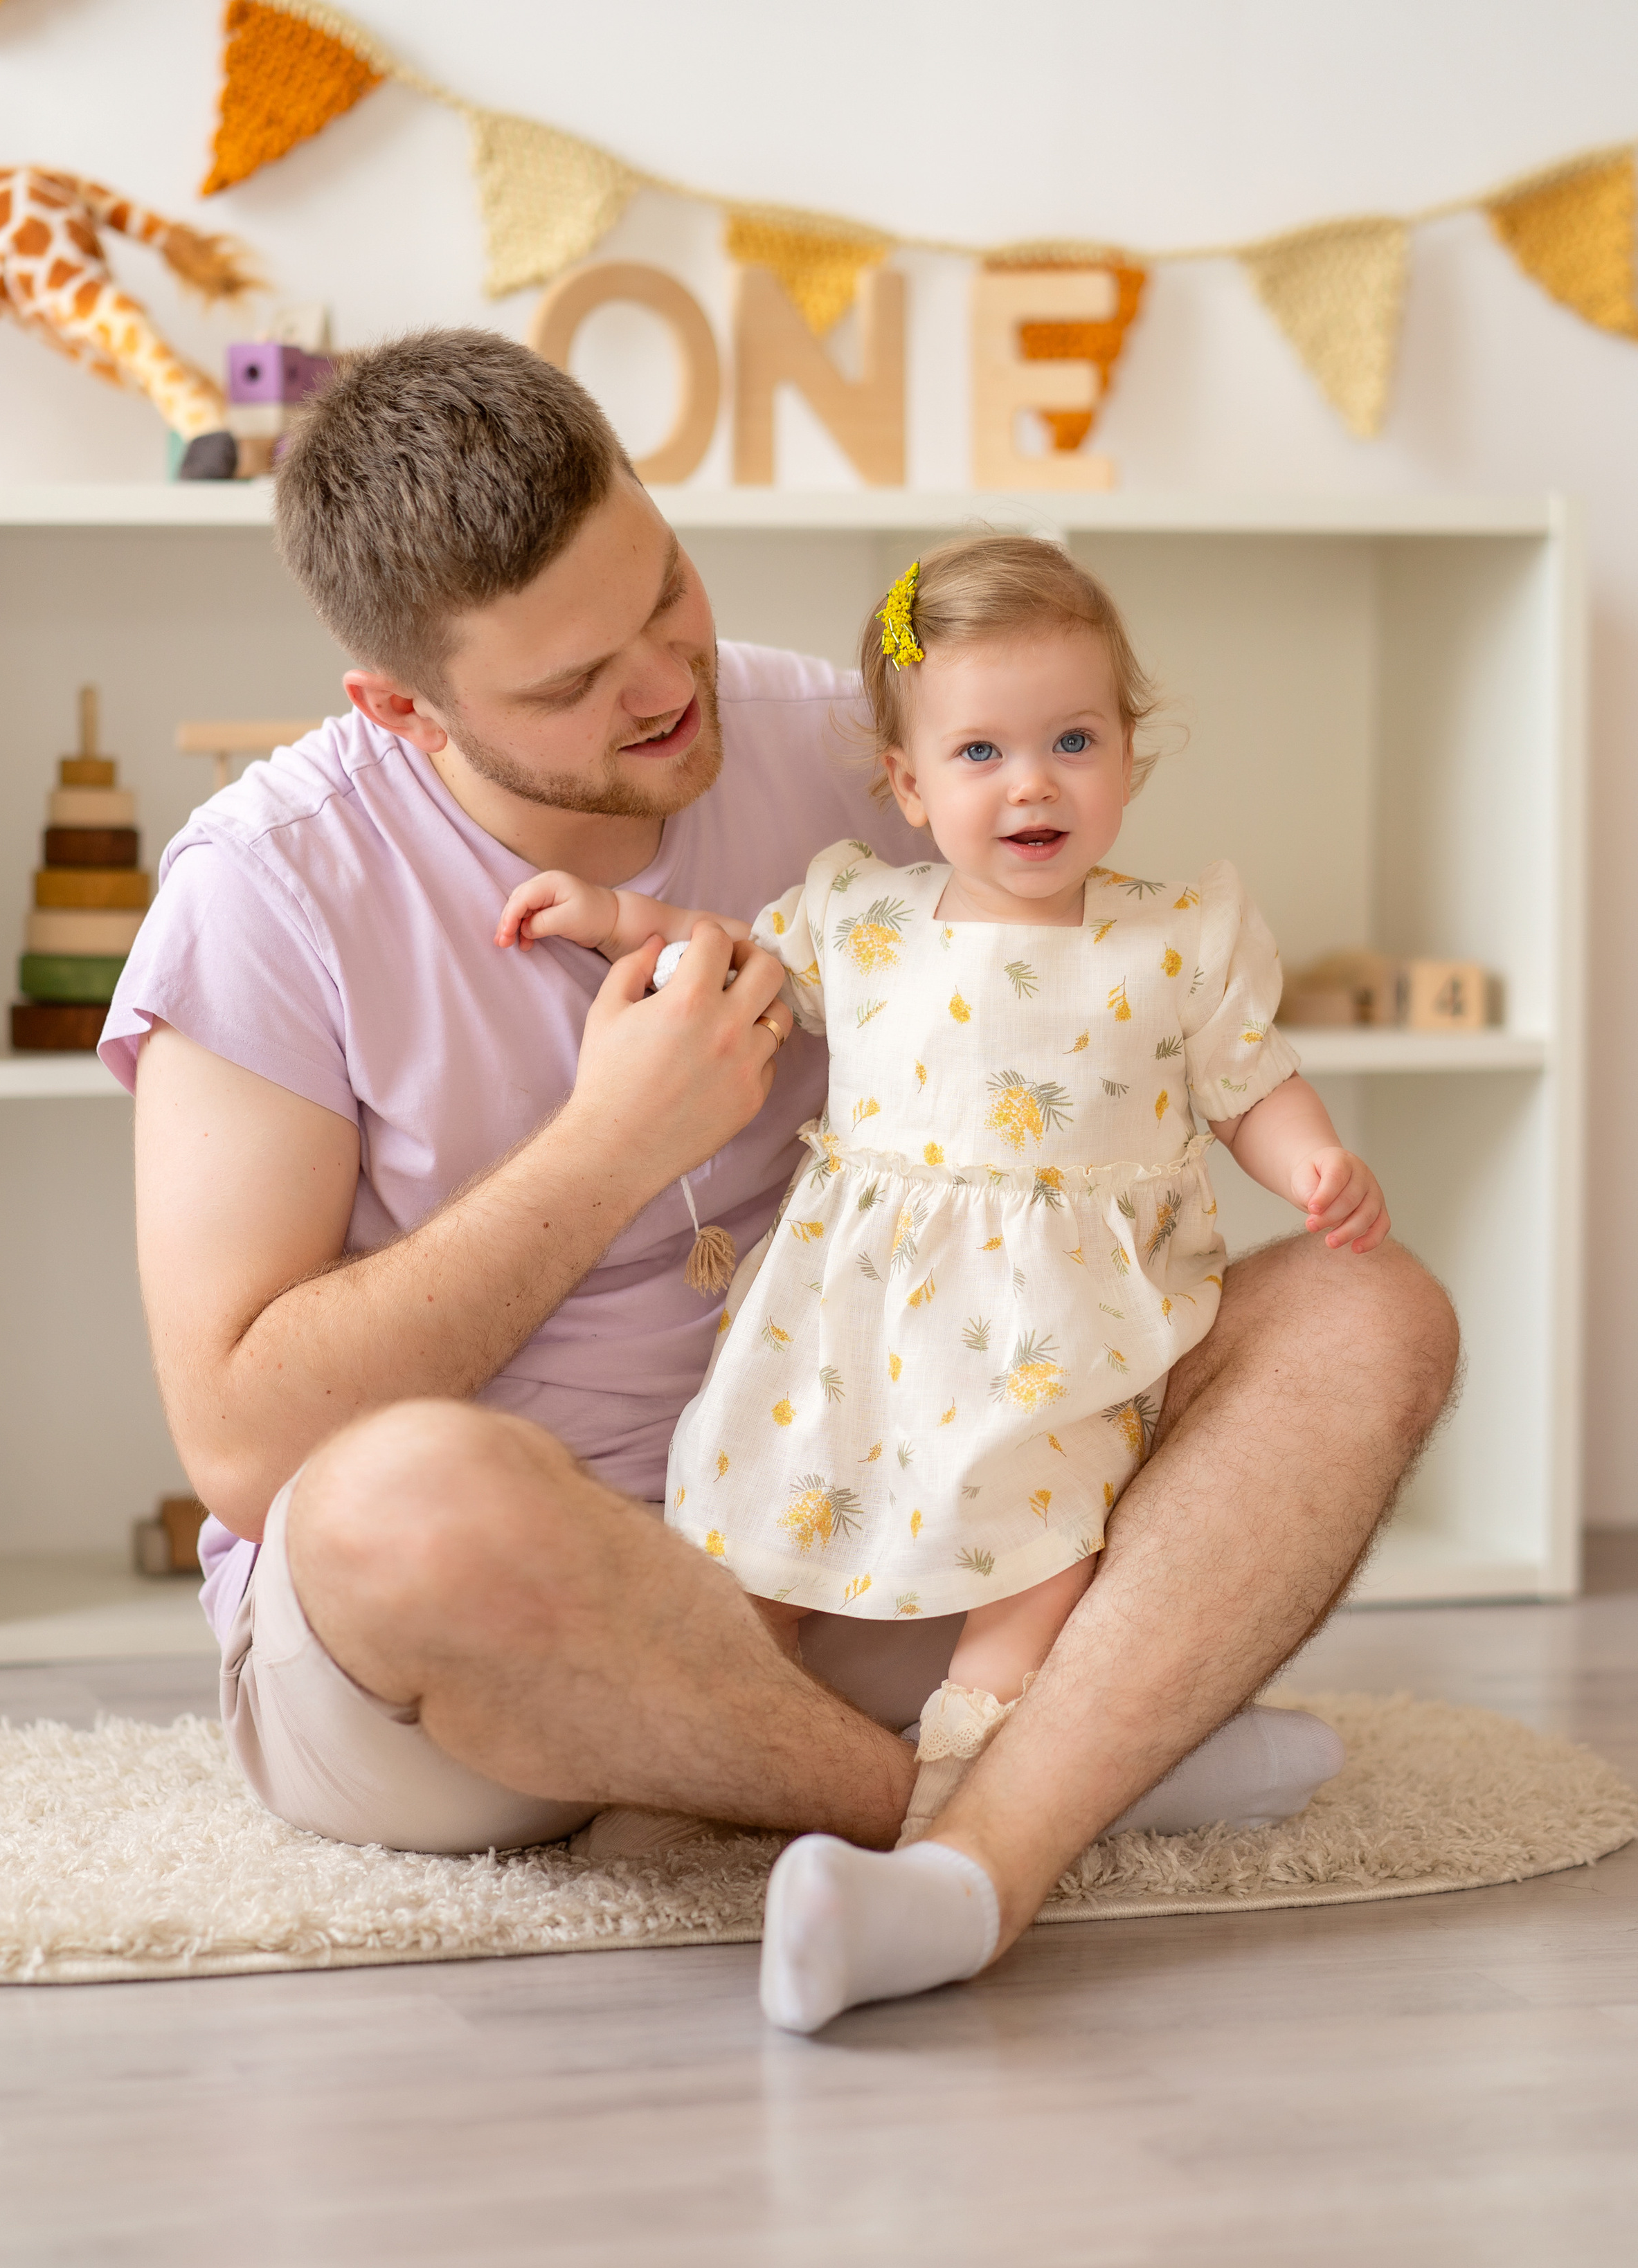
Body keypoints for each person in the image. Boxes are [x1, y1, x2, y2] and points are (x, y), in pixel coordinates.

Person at [101, 328, 1457, 2011]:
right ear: (399, 706)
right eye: (569, 685)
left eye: (663, 592)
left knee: (1368, 1313)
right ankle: (1026, 1805)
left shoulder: (856, 741)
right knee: (399, 1502)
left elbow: (1082, 1002)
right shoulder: (266, 889)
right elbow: (245, 1448)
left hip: (877, 1525)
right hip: (489, 1642)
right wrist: (610, 1149)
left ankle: (948, 1849)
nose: (663, 685)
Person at [490, 534, 1392, 2029]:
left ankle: (971, 1785)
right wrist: (615, 923)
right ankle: (689, 1773)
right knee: (762, 1534)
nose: (1031, 784)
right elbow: (729, 967)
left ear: (1128, 757)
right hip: (852, 1327)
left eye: (1072, 742)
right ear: (908, 786)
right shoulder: (864, 916)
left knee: (1044, 1553)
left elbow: (1250, 1083)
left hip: (1057, 1337)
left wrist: (1311, 1165)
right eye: (980, 752)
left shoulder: (1175, 939)